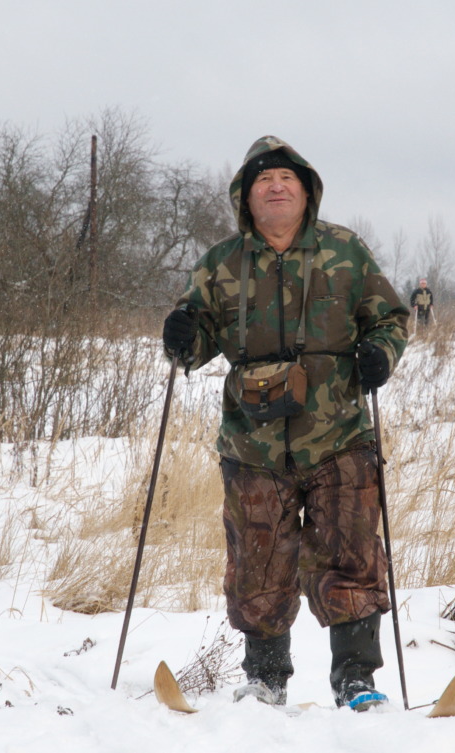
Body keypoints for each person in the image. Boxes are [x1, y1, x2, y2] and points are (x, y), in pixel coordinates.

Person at [162, 136, 409, 711]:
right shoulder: (220, 263)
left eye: (286, 180)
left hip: (340, 437)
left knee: (350, 555)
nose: (275, 187)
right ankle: (266, 679)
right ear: (246, 199)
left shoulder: (346, 253)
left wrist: (380, 354)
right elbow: (194, 342)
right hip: (253, 444)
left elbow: (390, 319)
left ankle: (355, 677)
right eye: (263, 181)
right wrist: (180, 337)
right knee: (258, 561)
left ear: (306, 192)